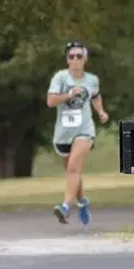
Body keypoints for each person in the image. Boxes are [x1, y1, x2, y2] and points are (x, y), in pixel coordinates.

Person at [46, 40, 109, 226]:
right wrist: (69, 95)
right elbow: (50, 101)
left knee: (74, 167)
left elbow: (95, 96)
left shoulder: (92, 80)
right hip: (63, 133)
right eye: (71, 56)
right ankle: (82, 201)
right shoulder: (60, 78)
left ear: (85, 58)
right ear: (67, 59)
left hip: (85, 130)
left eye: (78, 56)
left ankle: (65, 206)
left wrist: (101, 112)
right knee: (73, 172)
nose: (75, 59)